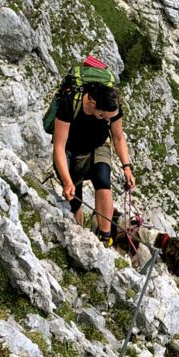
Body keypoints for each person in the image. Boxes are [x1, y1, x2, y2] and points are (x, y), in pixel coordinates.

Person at [51, 82, 135, 244]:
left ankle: (104, 238)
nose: (108, 120)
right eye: (104, 116)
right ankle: (78, 236)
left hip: (98, 146)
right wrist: (67, 182)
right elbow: (59, 147)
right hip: (71, 152)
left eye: (111, 117)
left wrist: (126, 166)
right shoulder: (69, 104)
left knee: (103, 183)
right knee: (75, 201)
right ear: (93, 103)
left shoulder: (112, 108)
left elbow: (118, 137)